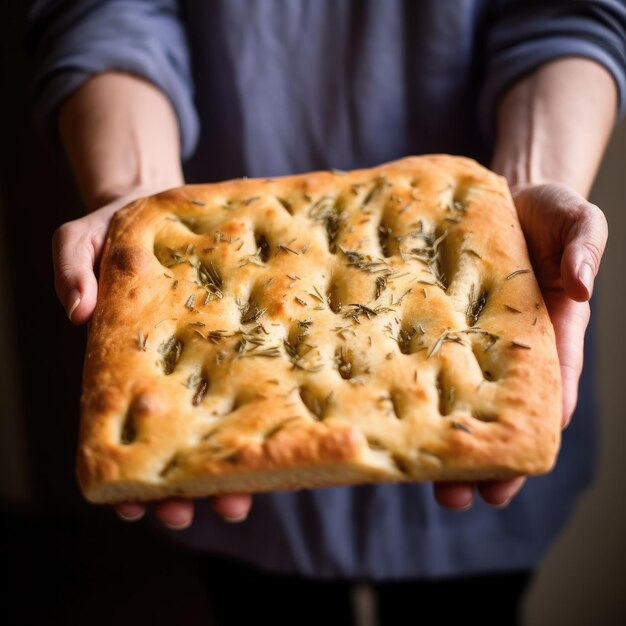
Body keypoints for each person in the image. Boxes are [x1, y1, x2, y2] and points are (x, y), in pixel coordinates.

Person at [28, 1, 625, 624]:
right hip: (215, 362)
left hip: (487, 288)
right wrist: (138, 196)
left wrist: (523, 185)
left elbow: (567, 12)